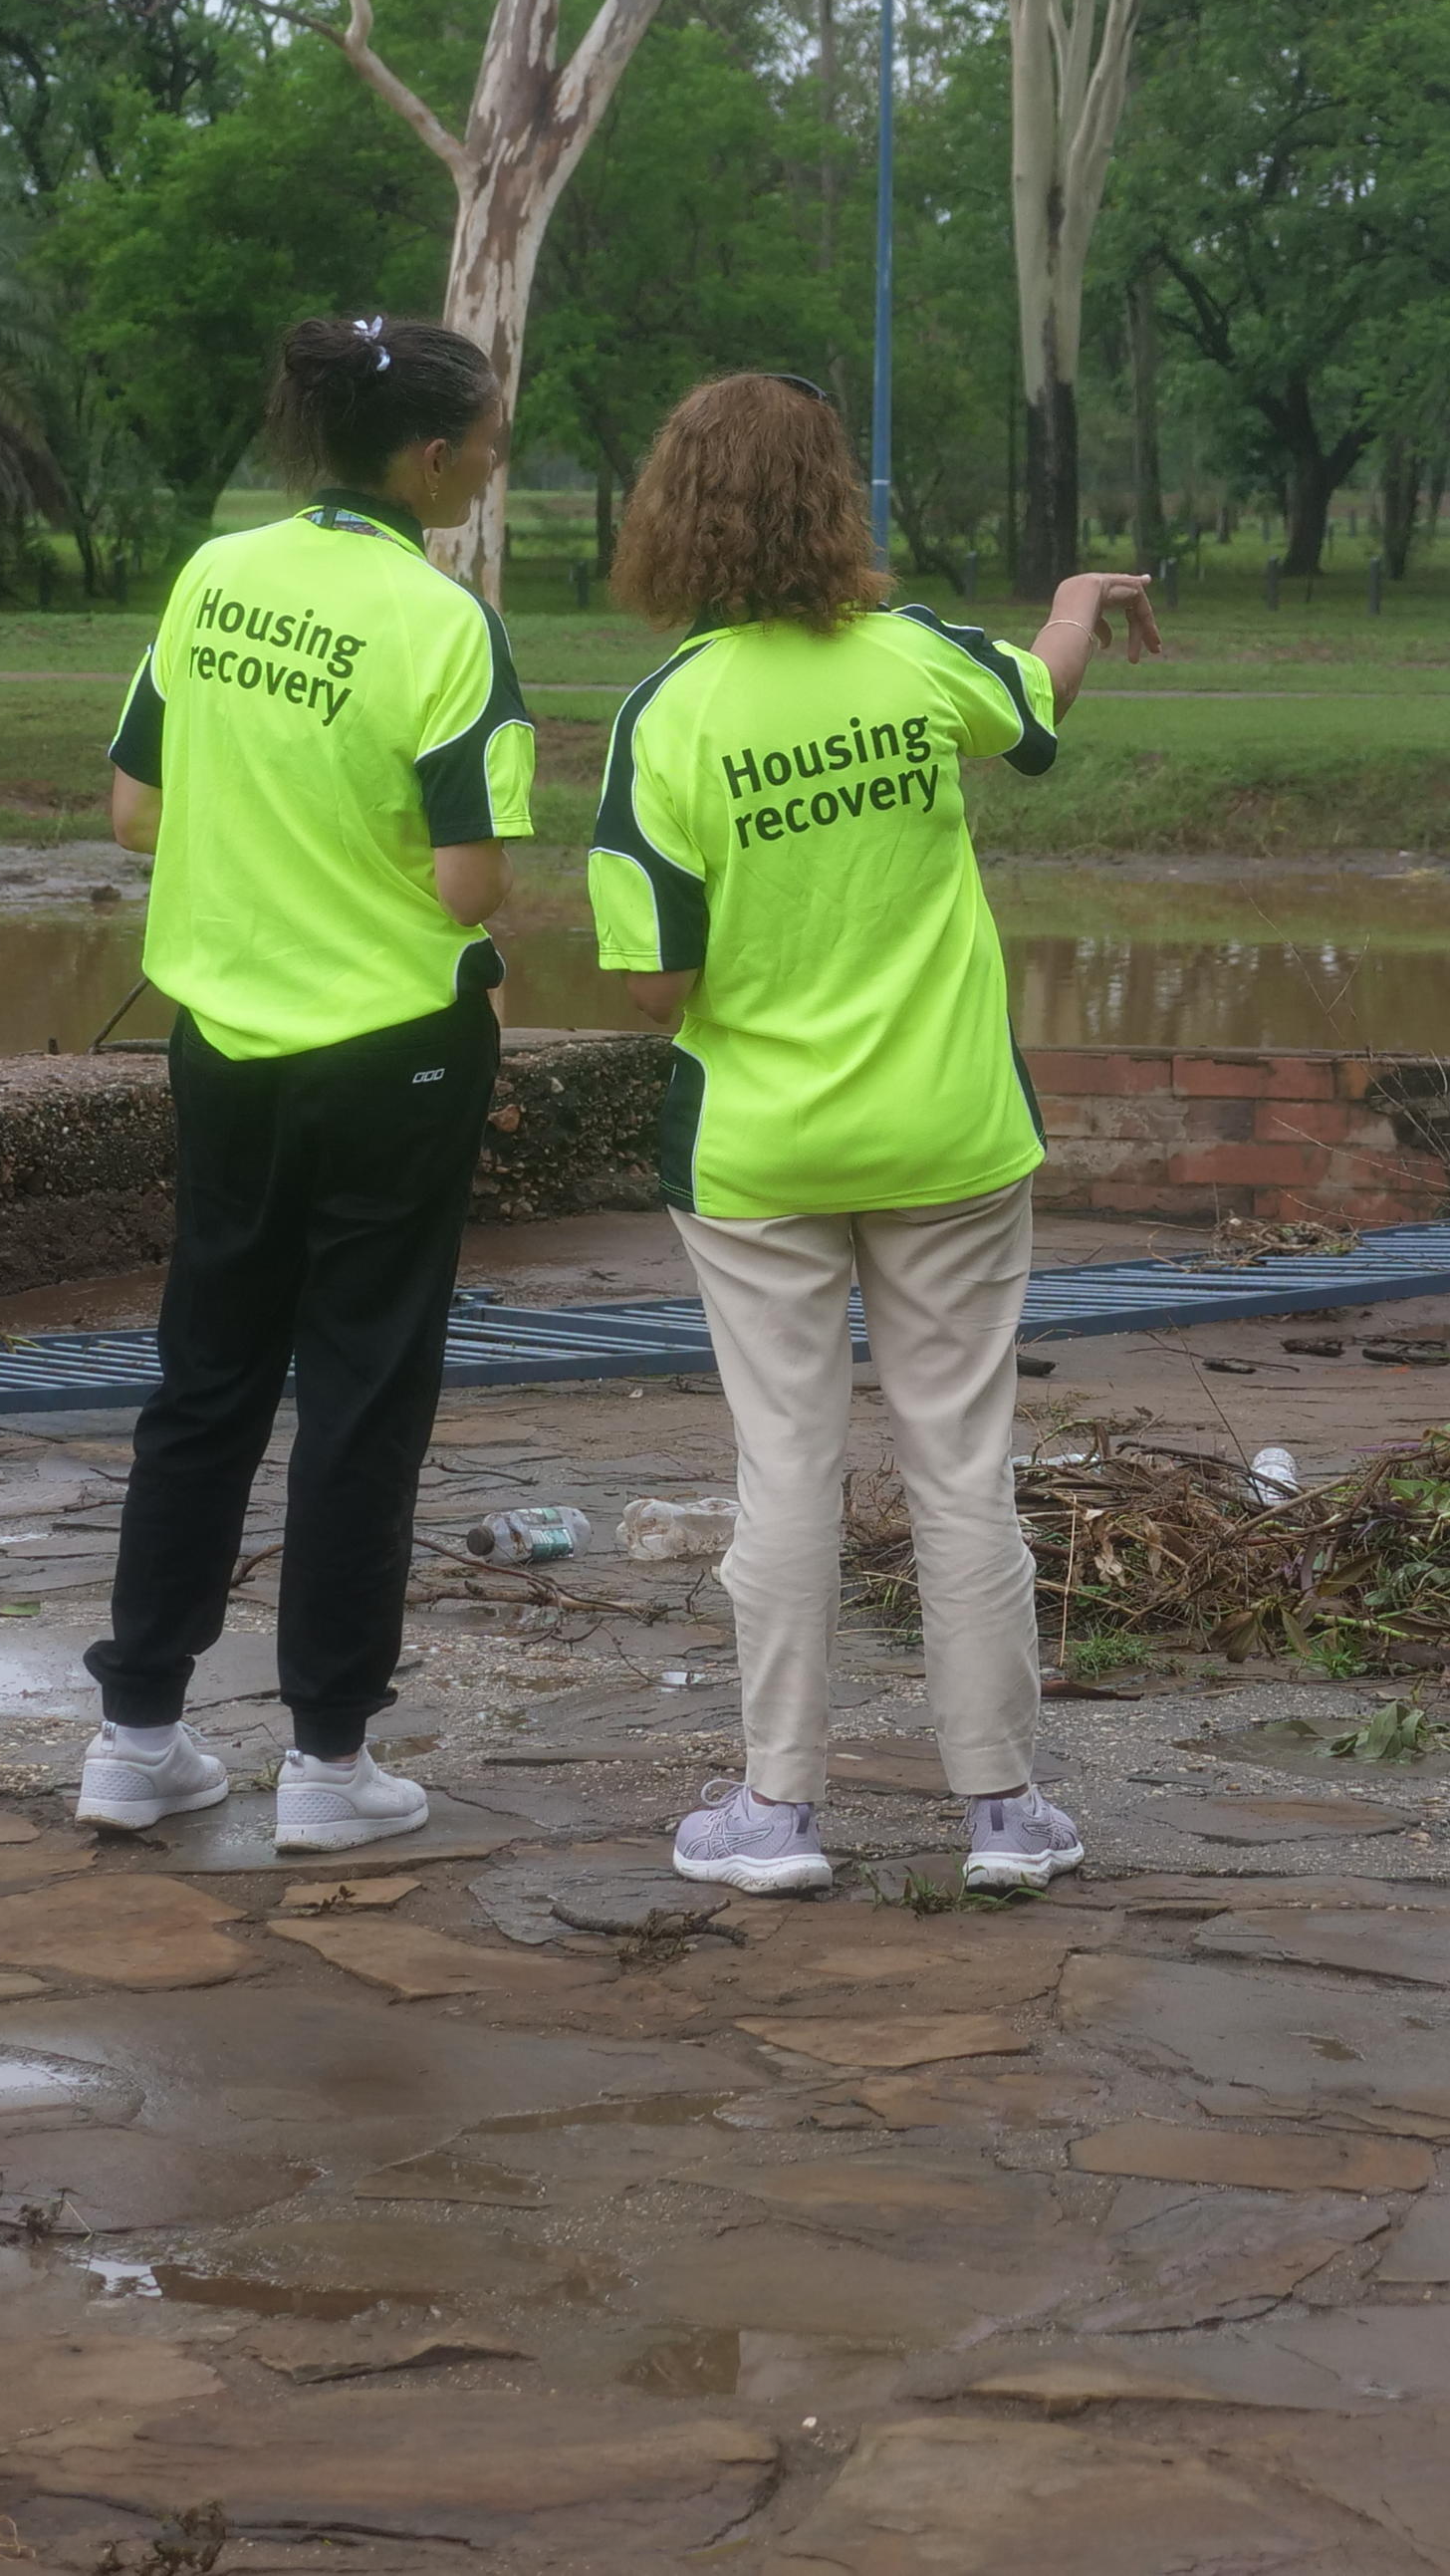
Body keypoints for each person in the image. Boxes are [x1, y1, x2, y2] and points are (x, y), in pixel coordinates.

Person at [583, 375, 1156, 1897]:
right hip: (950, 1135)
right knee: (963, 1466)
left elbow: (652, 982)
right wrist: (1077, 604)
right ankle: (1004, 1812)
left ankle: (777, 1813)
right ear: (834, 502)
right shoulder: (915, 659)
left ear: (671, 515)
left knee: (785, 1470)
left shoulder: (667, 715)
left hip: (759, 1155)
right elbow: (1034, 701)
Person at [77, 314, 531, 1852]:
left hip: (222, 1043)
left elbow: (135, 812)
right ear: (429, 459)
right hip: (394, 1055)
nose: (496, 462)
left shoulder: (213, 578)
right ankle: (329, 1766)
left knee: (203, 1381)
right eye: (489, 441)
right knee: (359, 1398)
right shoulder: (444, 622)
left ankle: (135, 1734)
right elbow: (469, 881)